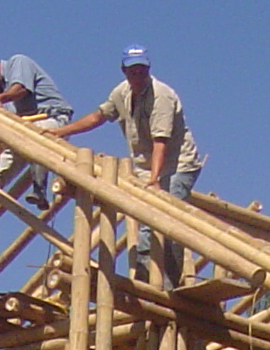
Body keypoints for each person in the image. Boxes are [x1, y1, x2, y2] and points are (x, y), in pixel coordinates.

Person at [49, 47, 207, 279]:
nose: (138, 75)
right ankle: (145, 281)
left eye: (142, 70)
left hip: (177, 164)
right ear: (124, 71)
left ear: (148, 69)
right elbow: (98, 117)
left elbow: (160, 141)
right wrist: (61, 132)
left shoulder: (161, 96)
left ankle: (172, 283)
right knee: (147, 224)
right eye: (133, 71)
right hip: (145, 166)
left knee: (170, 221)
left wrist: (154, 179)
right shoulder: (121, 92)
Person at [0, 55, 72, 207]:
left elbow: (20, 89)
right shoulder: (1, 91)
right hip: (24, 131)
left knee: (36, 137)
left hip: (53, 120)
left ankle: (39, 189)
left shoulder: (17, 63)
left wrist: (0, 99)